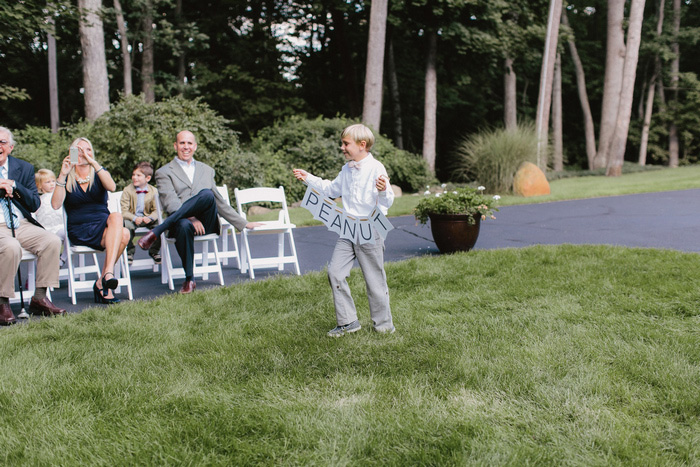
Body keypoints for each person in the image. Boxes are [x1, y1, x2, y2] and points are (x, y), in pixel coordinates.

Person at [293, 123, 395, 337]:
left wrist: (384, 189)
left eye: (346, 143)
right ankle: (348, 322)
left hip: (369, 229)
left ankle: (384, 326)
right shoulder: (346, 170)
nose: (342, 147)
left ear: (362, 145)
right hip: (347, 228)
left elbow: (387, 200)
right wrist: (308, 178)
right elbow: (331, 190)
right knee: (335, 272)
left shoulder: (376, 168)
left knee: (374, 280)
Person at [138, 130, 261, 294]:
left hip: (206, 222)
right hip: (180, 224)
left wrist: (243, 223)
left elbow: (218, 201)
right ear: (176, 146)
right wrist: (190, 218)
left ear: (195, 147)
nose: (186, 147)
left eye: (189, 143)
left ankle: (157, 231)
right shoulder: (164, 172)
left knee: (207, 194)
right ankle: (189, 280)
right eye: (182, 143)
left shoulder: (207, 170)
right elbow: (171, 203)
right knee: (183, 224)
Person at [51, 137, 130, 304]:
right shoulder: (67, 177)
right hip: (79, 228)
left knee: (118, 220)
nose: (84, 154)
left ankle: (105, 276)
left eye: (88, 150)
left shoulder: (99, 172)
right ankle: (104, 281)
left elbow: (112, 187)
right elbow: (56, 204)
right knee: (124, 234)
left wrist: (94, 163)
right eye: (79, 151)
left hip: (103, 225)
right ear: (72, 153)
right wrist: (62, 174)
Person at [0, 126, 66, 324]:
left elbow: (34, 203)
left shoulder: (24, 168)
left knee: (52, 241)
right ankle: (3, 302)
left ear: (10, 147)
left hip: (20, 223)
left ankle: (39, 298)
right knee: (11, 247)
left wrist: (16, 187)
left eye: (2, 142)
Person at [120, 161, 161, 265]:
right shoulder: (127, 190)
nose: (134, 177)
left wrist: (151, 217)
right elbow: (124, 211)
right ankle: (129, 252)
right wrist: (134, 218)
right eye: (133, 175)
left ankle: (154, 251)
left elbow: (157, 210)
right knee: (126, 226)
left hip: (148, 219)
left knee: (160, 226)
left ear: (147, 178)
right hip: (133, 219)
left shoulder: (154, 191)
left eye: (138, 175)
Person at [34, 168, 67, 266]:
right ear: (39, 185)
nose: (52, 184)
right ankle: (44, 269)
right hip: (46, 229)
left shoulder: (60, 195)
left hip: (60, 226)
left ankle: (63, 259)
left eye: (53, 181)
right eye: (48, 182)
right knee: (47, 245)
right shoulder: (38, 199)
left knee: (67, 234)